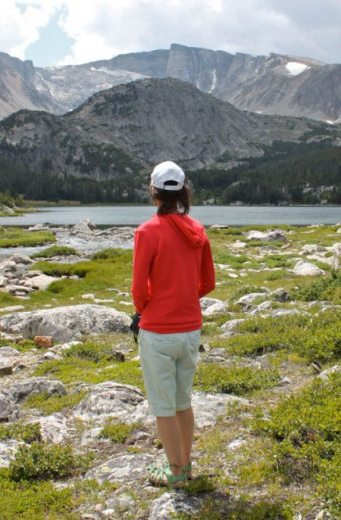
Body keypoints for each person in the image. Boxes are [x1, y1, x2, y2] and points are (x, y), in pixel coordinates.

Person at [131, 160, 216, 488]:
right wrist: (184, 297)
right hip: (190, 328)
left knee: (164, 406)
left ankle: (175, 472)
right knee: (183, 402)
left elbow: (139, 289)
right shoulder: (198, 230)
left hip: (158, 331)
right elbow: (207, 281)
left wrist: (147, 309)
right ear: (183, 193)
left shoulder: (146, 232)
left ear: (153, 191)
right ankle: (187, 465)